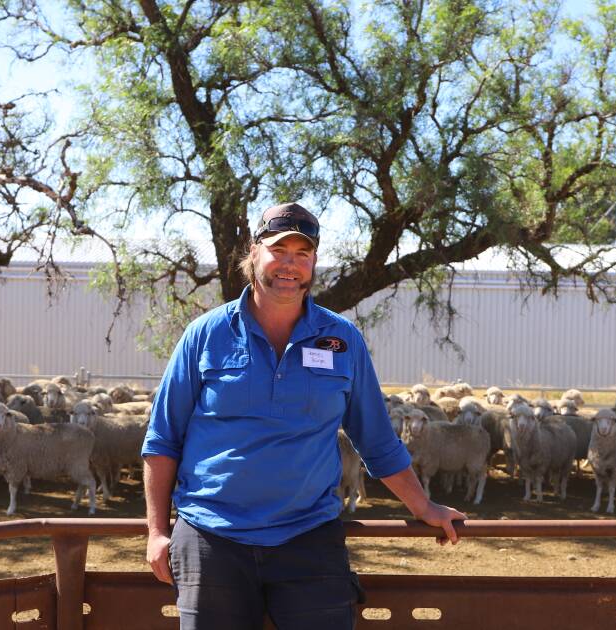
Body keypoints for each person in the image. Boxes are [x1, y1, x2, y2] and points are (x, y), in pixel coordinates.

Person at [141, 202, 465, 629]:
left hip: (308, 536)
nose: (289, 265)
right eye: (279, 250)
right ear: (254, 253)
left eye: (303, 254)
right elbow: (163, 439)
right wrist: (157, 531)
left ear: (313, 264)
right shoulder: (206, 335)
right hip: (210, 537)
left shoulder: (342, 340)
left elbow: (377, 440)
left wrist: (424, 506)